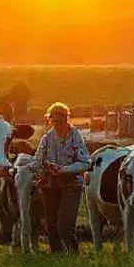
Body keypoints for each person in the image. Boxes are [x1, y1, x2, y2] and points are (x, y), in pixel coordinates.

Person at [33, 102, 90, 253]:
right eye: (53, 121)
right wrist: (41, 169)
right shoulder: (46, 138)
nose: (57, 124)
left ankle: (72, 254)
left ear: (66, 119)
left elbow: (85, 163)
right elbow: (37, 160)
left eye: (60, 121)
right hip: (50, 184)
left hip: (71, 183)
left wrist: (64, 169)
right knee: (51, 224)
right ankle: (57, 256)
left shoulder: (75, 136)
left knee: (64, 225)